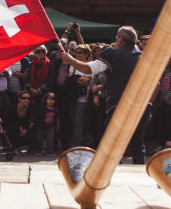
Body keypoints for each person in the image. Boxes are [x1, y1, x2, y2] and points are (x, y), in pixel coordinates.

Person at [58, 25, 148, 163]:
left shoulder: (112, 55)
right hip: (143, 106)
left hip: (119, 105)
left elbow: (88, 69)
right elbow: (156, 85)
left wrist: (70, 60)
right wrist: (150, 104)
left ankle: (113, 175)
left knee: (112, 143)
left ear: (119, 39)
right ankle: (140, 178)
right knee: (137, 143)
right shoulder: (145, 57)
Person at [30, 91, 59, 155]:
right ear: (45, 100)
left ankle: (50, 150)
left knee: (50, 139)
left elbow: (57, 119)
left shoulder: (55, 110)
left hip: (50, 127)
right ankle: (39, 150)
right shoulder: (42, 109)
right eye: (49, 99)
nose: (51, 101)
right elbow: (36, 116)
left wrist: (58, 126)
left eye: (53, 99)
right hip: (41, 126)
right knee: (39, 139)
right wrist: (32, 122)